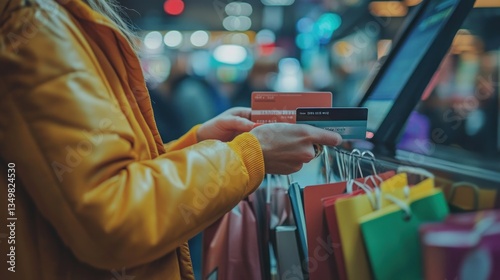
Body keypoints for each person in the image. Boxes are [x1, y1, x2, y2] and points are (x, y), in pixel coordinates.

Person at [0, 0, 342, 279]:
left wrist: (196, 144)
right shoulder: (39, 23)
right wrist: (248, 154)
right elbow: (114, 217)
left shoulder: (56, 19)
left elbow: (109, 173)